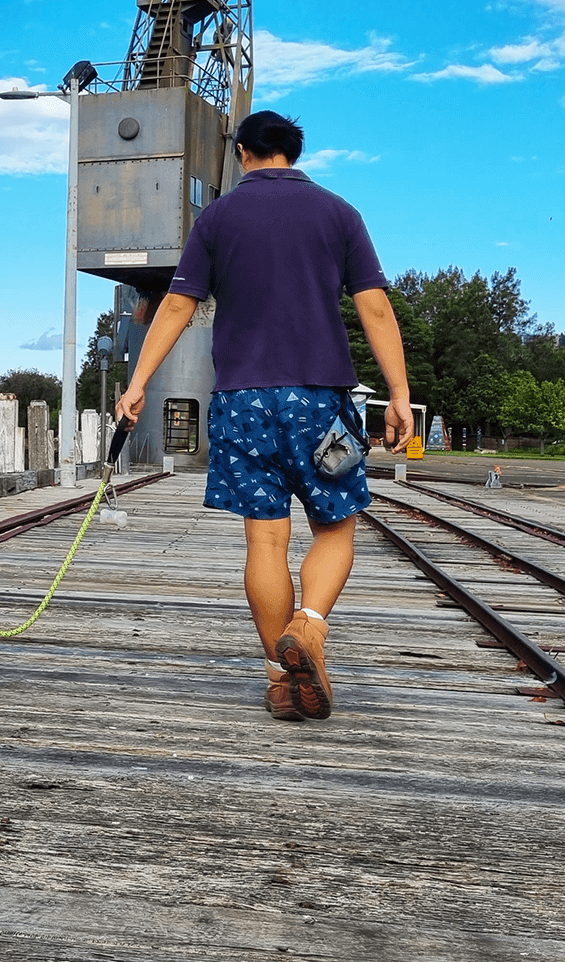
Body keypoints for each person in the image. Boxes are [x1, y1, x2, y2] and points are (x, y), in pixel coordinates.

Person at [115, 110, 411, 722]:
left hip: (242, 400)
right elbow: (375, 308)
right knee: (337, 526)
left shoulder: (217, 218)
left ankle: (281, 680)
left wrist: (138, 382)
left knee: (265, 541)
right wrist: (399, 393)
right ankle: (309, 627)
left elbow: (176, 303)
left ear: (243, 153)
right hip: (319, 400)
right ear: (293, 153)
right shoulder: (339, 212)